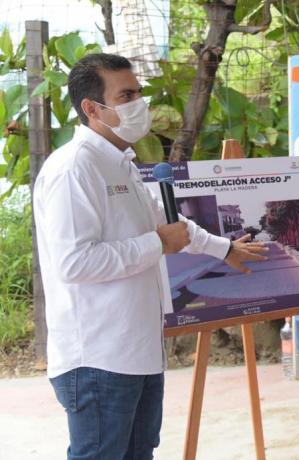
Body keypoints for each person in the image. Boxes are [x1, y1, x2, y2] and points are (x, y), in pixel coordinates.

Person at [33, 53, 268, 459]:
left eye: (138, 92)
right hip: (97, 358)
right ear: (92, 108)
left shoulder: (121, 163)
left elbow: (172, 225)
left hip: (139, 351)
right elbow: (74, 263)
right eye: (126, 95)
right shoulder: (74, 169)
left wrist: (224, 248)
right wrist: (157, 244)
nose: (139, 103)